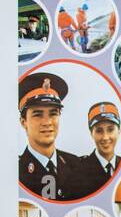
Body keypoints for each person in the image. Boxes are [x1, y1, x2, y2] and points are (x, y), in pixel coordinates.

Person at [17, 72, 97, 201]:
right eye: (38, 114)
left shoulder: (77, 164)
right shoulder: (16, 171)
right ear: (23, 122)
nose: (47, 122)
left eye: (53, 114)